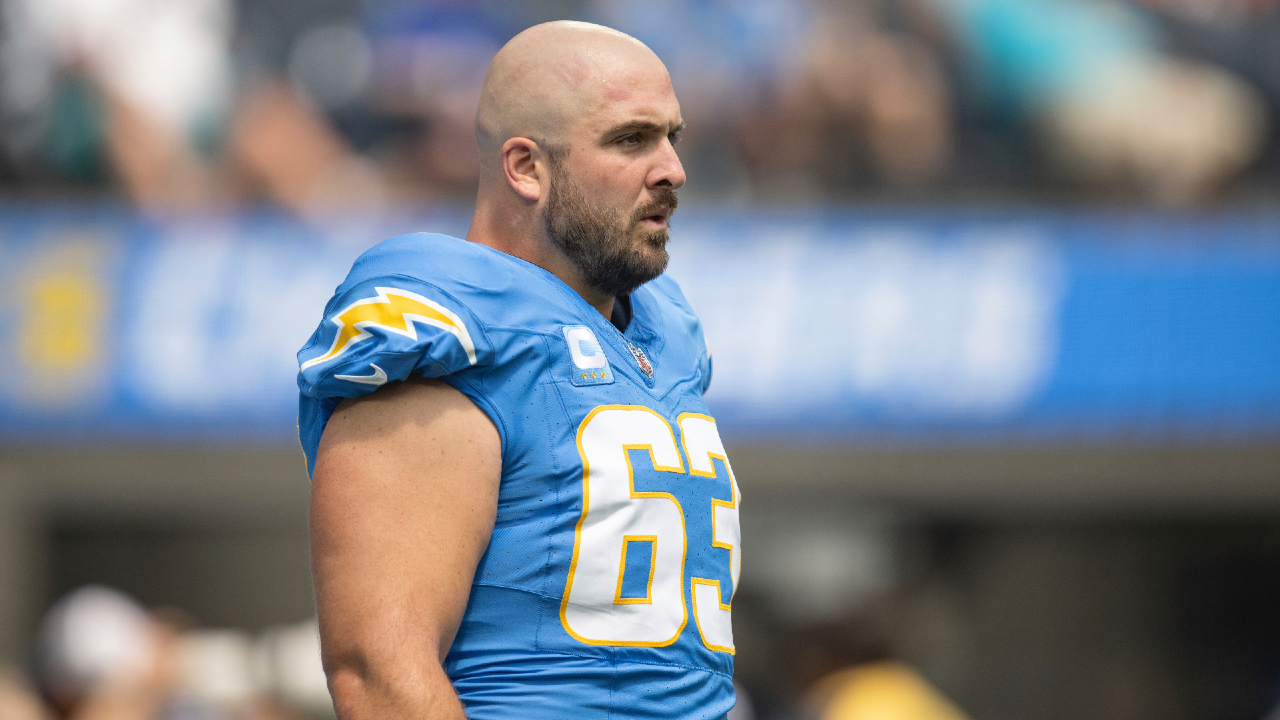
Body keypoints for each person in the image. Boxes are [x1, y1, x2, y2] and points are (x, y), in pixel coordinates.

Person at [297, 20, 741, 720]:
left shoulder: (665, 331)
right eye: (631, 139)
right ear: (525, 167)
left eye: (671, 137)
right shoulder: (450, 328)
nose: (672, 170)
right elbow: (379, 673)